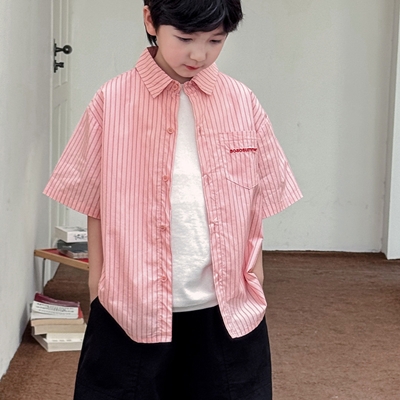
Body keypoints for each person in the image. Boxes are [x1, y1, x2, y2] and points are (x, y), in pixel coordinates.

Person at [44, 0, 302, 398]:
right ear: (150, 19)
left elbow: (258, 200)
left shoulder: (242, 102)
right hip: (130, 310)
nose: (199, 54)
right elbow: (94, 203)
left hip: (226, 311)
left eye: (215, 40)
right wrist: (98, 289)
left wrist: (256, 278)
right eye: (185, 38)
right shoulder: (111, 101)